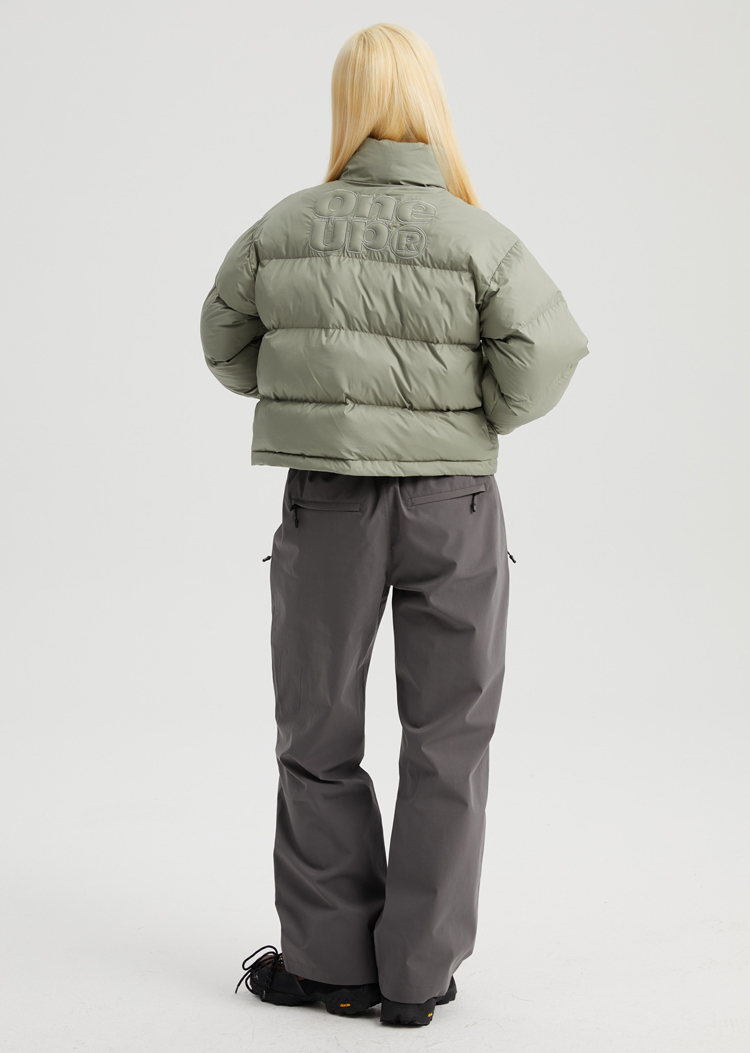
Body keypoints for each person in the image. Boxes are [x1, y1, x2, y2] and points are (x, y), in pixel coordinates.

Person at [200, 22, 590, 1028]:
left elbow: (225, 344)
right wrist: (473, 416)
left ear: (347, 107)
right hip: (453, 505)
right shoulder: (477, 235)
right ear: (429, 105)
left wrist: (311, 391)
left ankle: (331, 963)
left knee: (316, 729)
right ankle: (417, 976)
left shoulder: (283, 227)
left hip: (329, 500)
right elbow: (548, 353)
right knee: (450, 734)